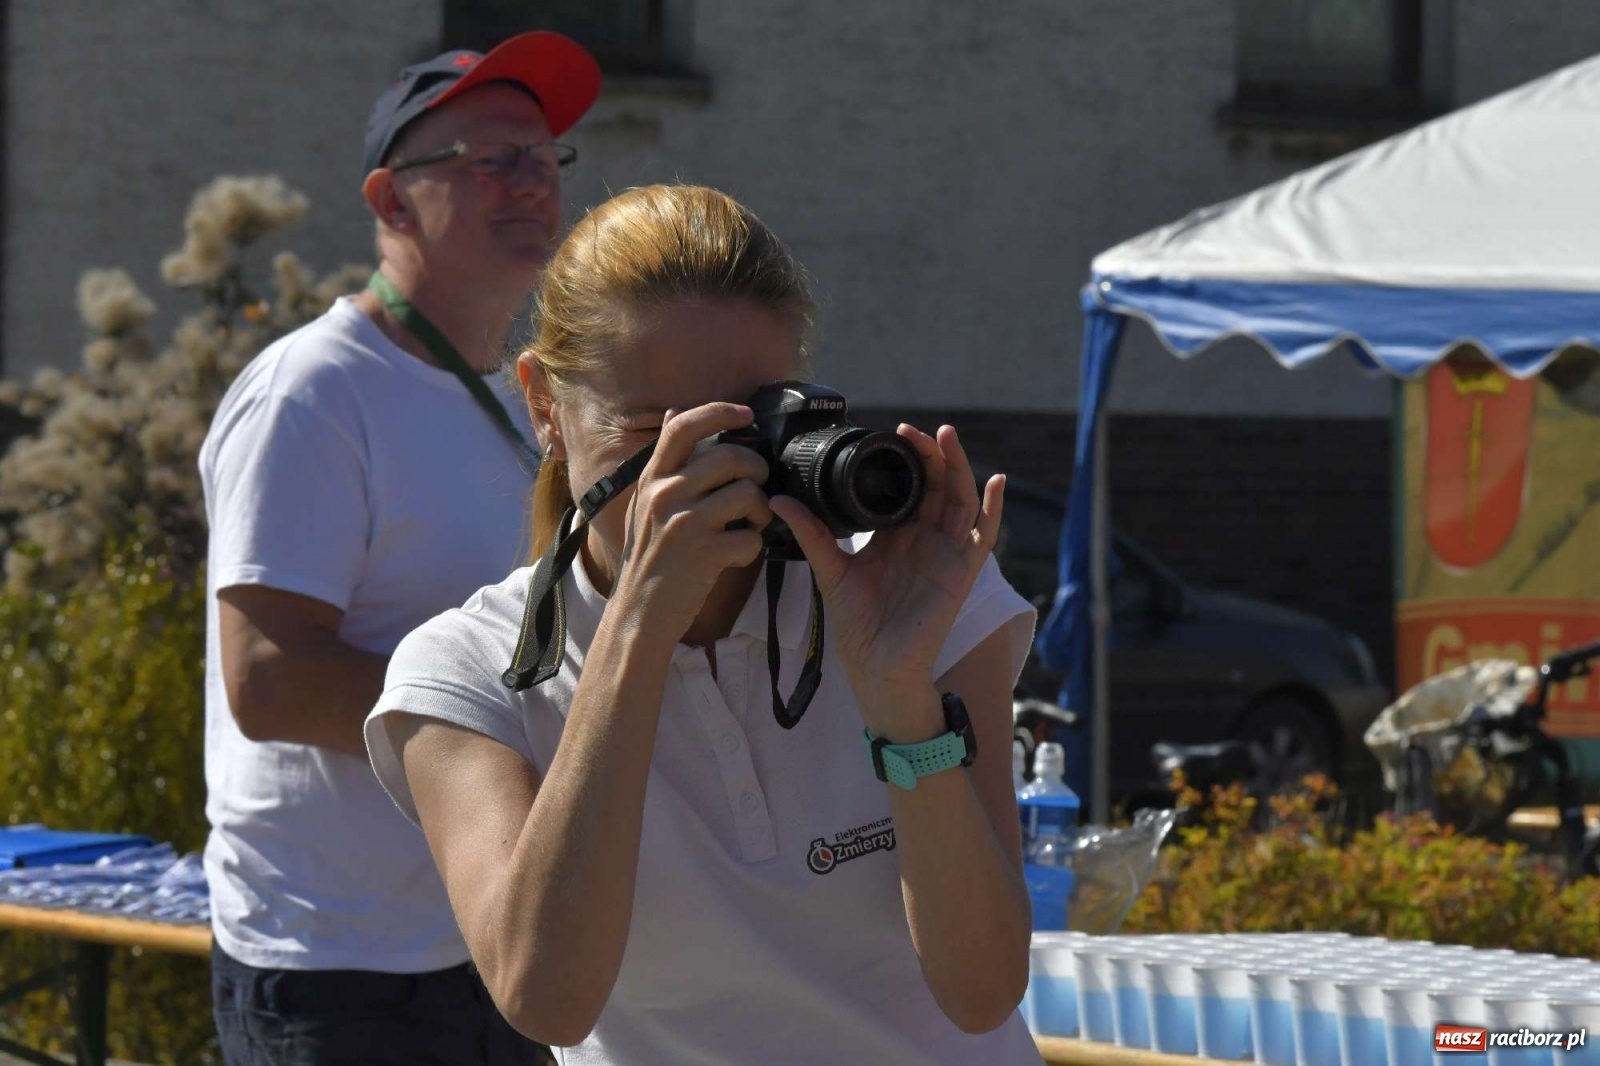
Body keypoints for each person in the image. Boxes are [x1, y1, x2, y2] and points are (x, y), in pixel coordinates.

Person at [365, 184, 1048, 1065]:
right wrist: (640, 626)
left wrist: (899, 696)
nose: (708, 476)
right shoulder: (466, 675)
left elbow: (982, 990)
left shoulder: (908, 596)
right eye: (656, 434)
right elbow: (547, 997)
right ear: (544, 406)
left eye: (745, 429)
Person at [199, 32, 600, 1064]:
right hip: (341, 967)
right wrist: (530, 732)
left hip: (493, 938)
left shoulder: (524, 403)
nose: (532, 184)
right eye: (491, 161)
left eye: (544, 158)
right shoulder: (315, 393)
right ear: (391, 202)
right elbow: (269, 679)